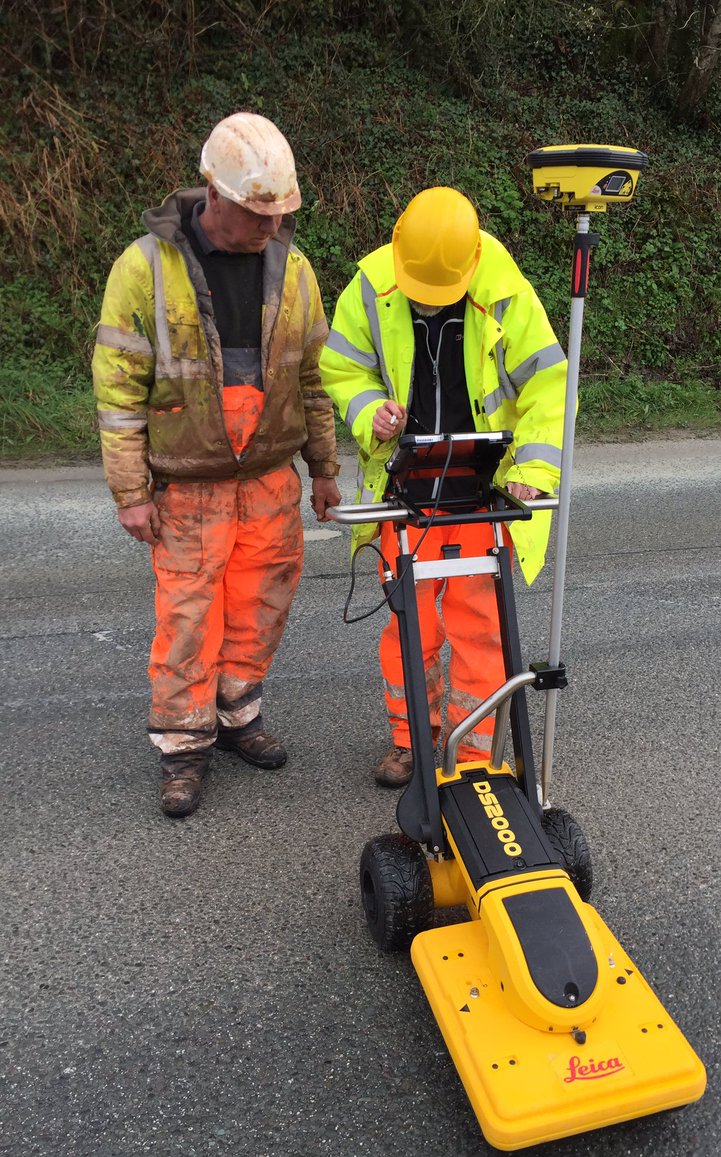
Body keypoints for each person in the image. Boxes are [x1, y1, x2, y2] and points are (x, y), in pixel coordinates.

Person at [93, 112, 341, 818]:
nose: (270, 227)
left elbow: (315, 379)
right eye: (257, 213)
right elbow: (116, 393)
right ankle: (182, 746)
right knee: (188, 618)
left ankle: (236, 716)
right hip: (189, 484)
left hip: (268, 479)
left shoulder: (292, 268)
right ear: (213, 192)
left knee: (259, 609)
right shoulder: (142, 269)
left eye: (280, 214)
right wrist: (131, 490)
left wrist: (323, 469)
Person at [320, 186, 566, 787]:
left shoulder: (506, 293)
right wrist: (370, 408)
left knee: (480, 621)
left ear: (471, 263)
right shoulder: (372, 287)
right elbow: (340, 366)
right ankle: (412, 741)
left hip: (483, 480)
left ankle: (475, 753)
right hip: (407, 478)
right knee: (408, 620)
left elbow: (548, 390)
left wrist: (533, 475)